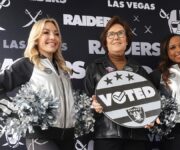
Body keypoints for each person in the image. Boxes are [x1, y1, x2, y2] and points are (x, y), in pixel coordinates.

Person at [0, 18, 76, 150]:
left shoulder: (63, 68)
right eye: (46, 32)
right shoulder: (27, 64)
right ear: (36, 38)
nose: (52, 37)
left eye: (56, 33)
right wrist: (15, 111)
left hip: (68, 137)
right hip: (41, 137)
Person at [84, 16, 151, 150]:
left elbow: (149, 104)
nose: (116, 37)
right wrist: (93, 106)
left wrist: (150, 117)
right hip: (106, 136)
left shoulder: (139, 70)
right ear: (105, 41)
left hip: (136, 137)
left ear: (127, 40)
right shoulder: (94, 68)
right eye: (111, 34)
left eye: (120, 33)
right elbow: (84, 105)